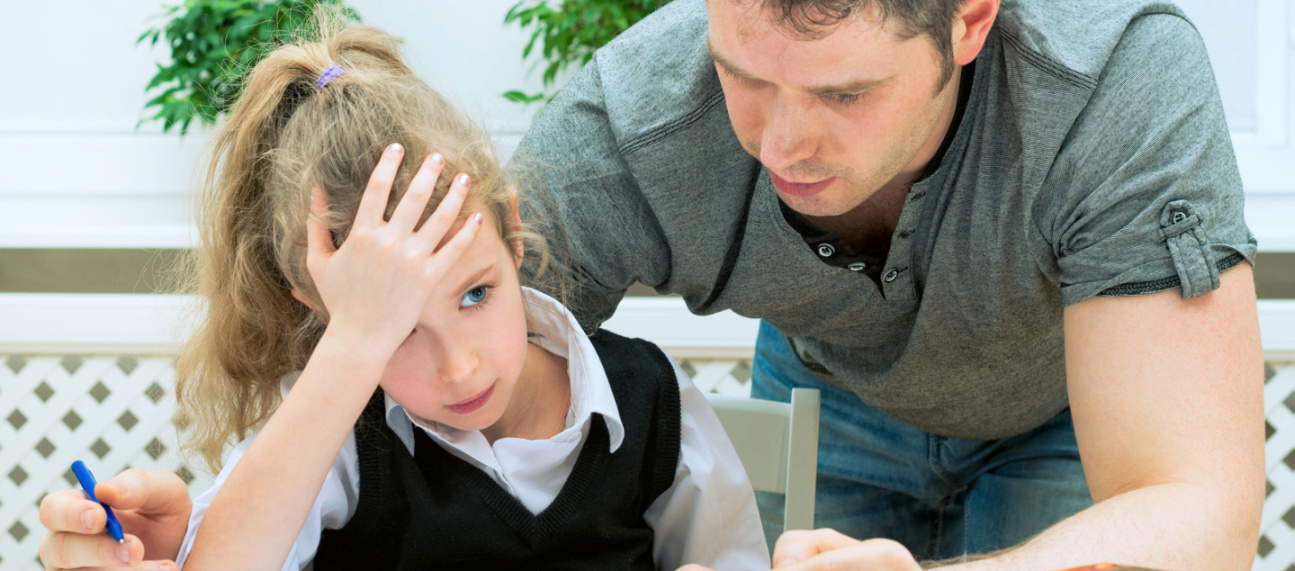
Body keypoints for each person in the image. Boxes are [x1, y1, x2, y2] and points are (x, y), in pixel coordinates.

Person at [41, 0, 1266, 569]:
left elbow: (1194, 512)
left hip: (1061, 419)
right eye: (743, 71)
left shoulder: (1114, 86)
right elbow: (444, 317)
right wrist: (194, 536)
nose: (780, 141)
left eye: (840, 93)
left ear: (966, 22)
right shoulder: (632, 123)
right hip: (830, 395)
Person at [39, 21, 769, 571]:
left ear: (513, 232)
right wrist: (352, 346)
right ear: (323, 314)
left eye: (476, 292)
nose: (459, 368)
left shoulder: (653, 404)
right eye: (393, 330)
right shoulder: (333, 438)